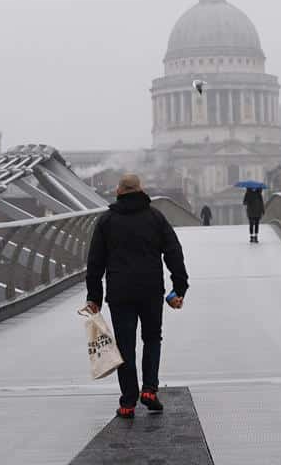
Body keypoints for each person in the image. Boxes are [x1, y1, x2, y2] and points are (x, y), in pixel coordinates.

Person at [85, 173, 189, 419]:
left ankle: (128, 402)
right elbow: (174, 252)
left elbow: (95, 263)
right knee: (152, 339)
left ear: (118, 192)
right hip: (151, 290)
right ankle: (150, 390)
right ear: (141, 191)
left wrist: (94, 298)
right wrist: (179, 288)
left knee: (125, 347)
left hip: (120, 293)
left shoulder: (107, 221)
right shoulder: (155, 217)